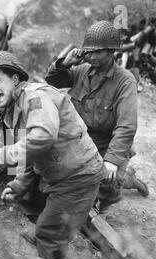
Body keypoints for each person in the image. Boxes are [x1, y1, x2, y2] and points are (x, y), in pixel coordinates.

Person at [0, 51, 107, 259]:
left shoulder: (33, 96)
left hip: (78, 176)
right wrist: (19, 185)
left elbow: (43, 136)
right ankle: (50, 228)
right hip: (60, 173)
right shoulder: (15, 107)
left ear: (15, 79)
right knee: (27, 199)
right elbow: (32, 153)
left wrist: (7, 153)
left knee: (49, 234)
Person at [45, 20, 149, 214]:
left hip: (107, 143)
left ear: (111, 52)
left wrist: (111, 160)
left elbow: (126, 126)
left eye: (98, 52)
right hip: (81, 139)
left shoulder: (125, 81)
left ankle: (127, 180)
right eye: (89, 52)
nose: (91, 56)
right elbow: (51, 82)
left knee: (108, 182)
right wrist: (65, 63)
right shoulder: (82, 71)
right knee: (53, 169)